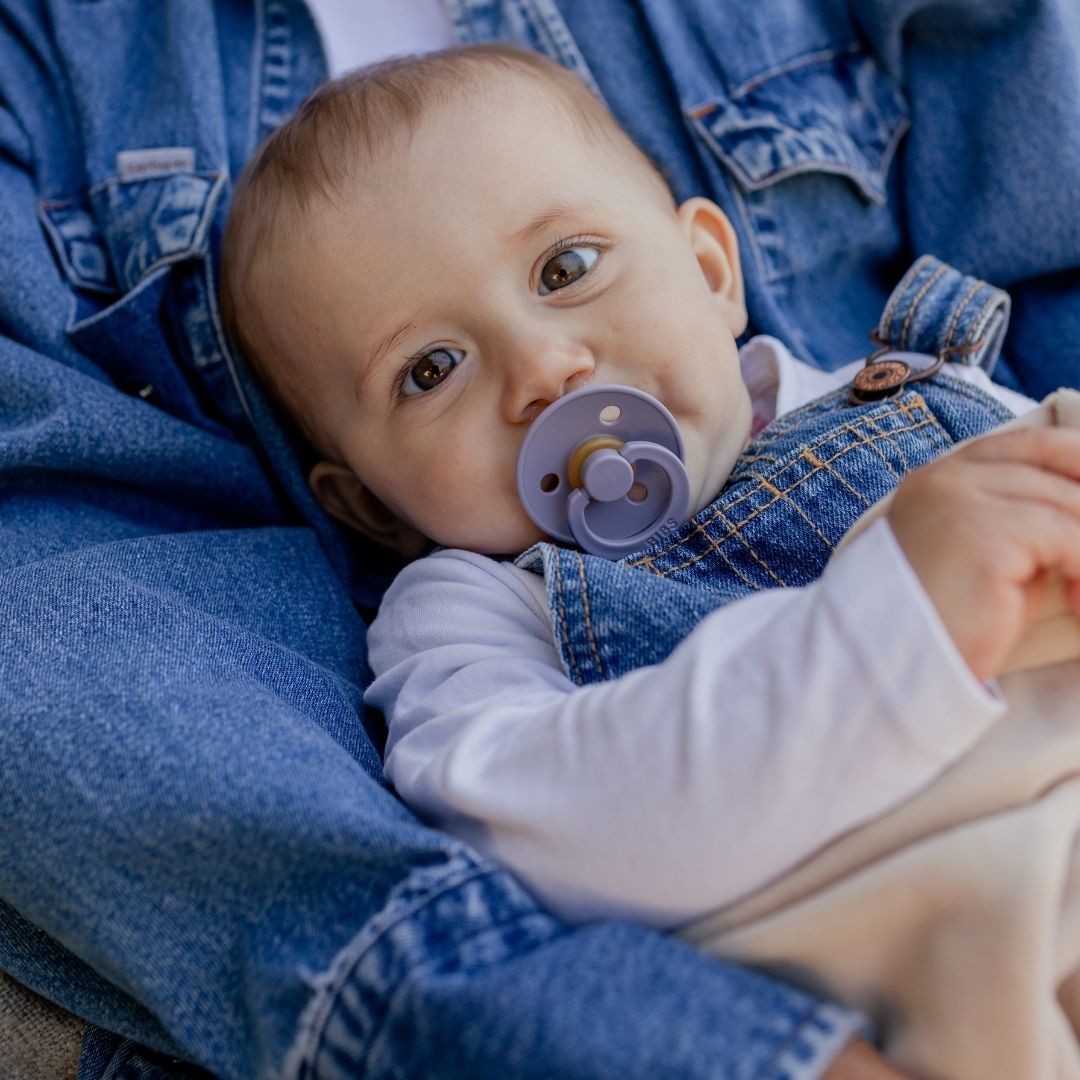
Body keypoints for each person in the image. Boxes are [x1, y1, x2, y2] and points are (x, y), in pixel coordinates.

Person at [4, 1, 1080, 1078]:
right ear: (371, 505)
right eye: (429, 370)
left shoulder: (931, 396)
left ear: (710, 271)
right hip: (940, 971)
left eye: (566, 269)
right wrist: (894, 631)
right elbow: (545, 833)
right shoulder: (469, 614)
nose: (540, 373)